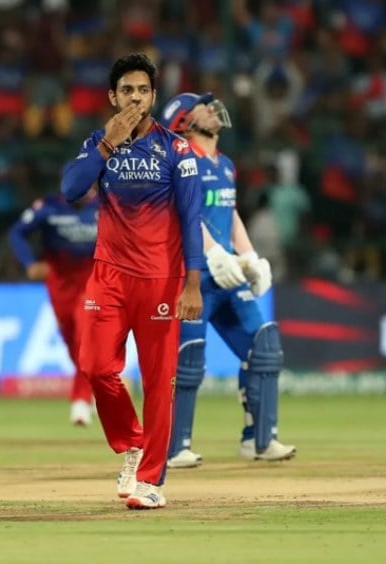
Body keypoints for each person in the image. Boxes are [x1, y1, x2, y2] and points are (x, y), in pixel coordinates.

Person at [60, 53, 203, 510]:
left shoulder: (177, 150)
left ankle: (150, 481)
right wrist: (106, 146)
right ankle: (131, 443)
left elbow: (191, 216)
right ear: (113, 96)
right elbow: (69, 190)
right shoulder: (100, 142)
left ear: (153, 96)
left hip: (162, 280)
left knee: (160, 382)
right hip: (110, 276)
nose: (135, 97)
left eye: (143, 90)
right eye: (127, 90)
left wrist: (193, 282)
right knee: (96, 365)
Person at [160, 92, 296, 469]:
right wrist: (212, 253)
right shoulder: (180, 161)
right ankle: (174, 447)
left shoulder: (225, 164)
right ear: (184, 122)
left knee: (265, 344)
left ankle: (259, 440)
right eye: (202, 107)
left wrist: (248, 255)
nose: (212, 109)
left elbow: (229, 212)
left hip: (226, 274)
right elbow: (183, 214)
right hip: (191, 276)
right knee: (188, 362)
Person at [8, 189, 98, 426]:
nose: (87, 192)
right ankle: (97, 385)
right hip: (59, 281)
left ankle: (80, 400)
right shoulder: (48, 207)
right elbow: (17, 233)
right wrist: (30, 264)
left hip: (92, 278)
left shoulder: (107, 205)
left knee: (84, 336)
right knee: (71, 339)